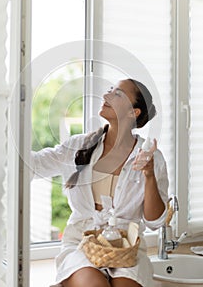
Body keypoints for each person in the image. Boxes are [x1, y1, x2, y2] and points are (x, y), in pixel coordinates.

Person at [31, 78, 169, 287]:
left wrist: (149, 175)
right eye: (109, 90)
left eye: (118, 94)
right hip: (81, 244)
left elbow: (154, 221)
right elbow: (35, 165)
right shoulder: (79, 146)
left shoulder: (151, 157)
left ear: (134, 112)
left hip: (126, 248)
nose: (106, 96)